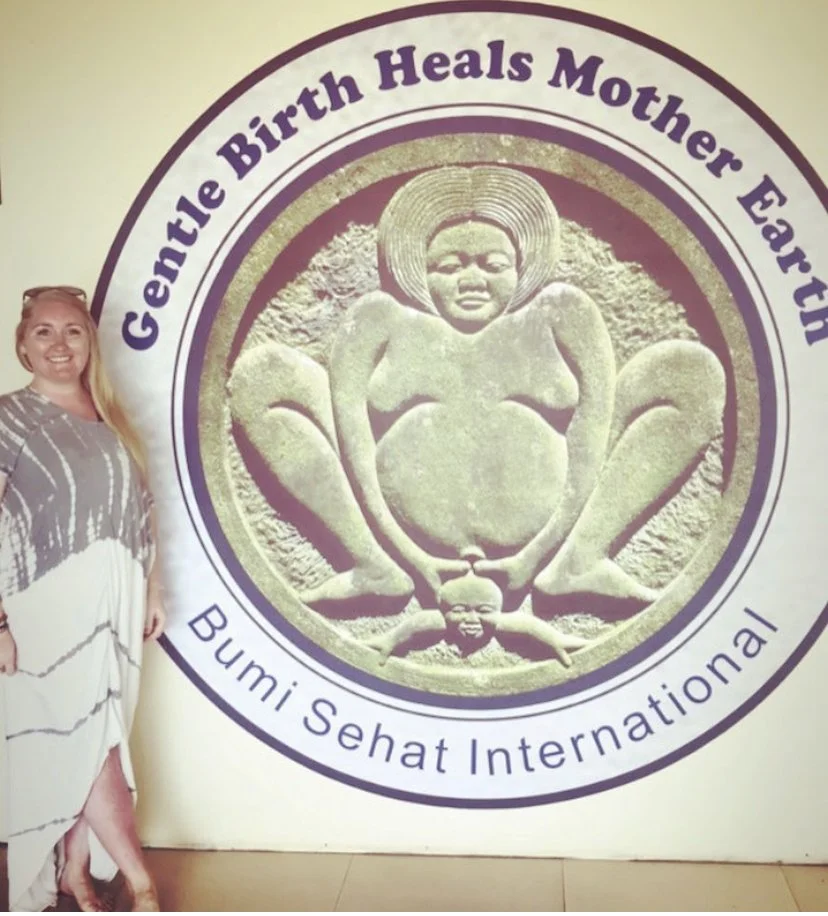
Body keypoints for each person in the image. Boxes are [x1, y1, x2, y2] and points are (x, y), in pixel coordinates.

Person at [229, 165, 725, 614]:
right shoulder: (379, 319)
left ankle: (583, 559)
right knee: (264, 376)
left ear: (522, 265)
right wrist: (407, 555)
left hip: (556, 540)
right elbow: (352, 442)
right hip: (391, 542)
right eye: (448, 266)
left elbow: (593, 436)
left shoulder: (561, 313)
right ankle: (370, 567)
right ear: (419, 271)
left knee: (688, 372)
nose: (471, 280)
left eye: (492, 264)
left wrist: (540, 554)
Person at [0, 286, 164, 912]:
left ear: (90, 341)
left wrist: (153, 589)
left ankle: (75, 871)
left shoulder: (110, 416)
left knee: (99, 736)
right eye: (43, 332)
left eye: (72, 331)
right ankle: (141, 880)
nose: (59, 345)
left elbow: (142, 511)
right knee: (82, 739)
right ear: (23, 345)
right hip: (43, 608)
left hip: (116, 601)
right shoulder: (10, 417)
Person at [364, 569, 590, 666]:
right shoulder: (436, 620)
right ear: (444, 611)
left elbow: (525, 625)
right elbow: (419, 623)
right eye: (460, 610)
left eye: (483, 611)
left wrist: (555, 641)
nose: (472, 619)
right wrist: (390, 641)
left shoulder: (504, 622)